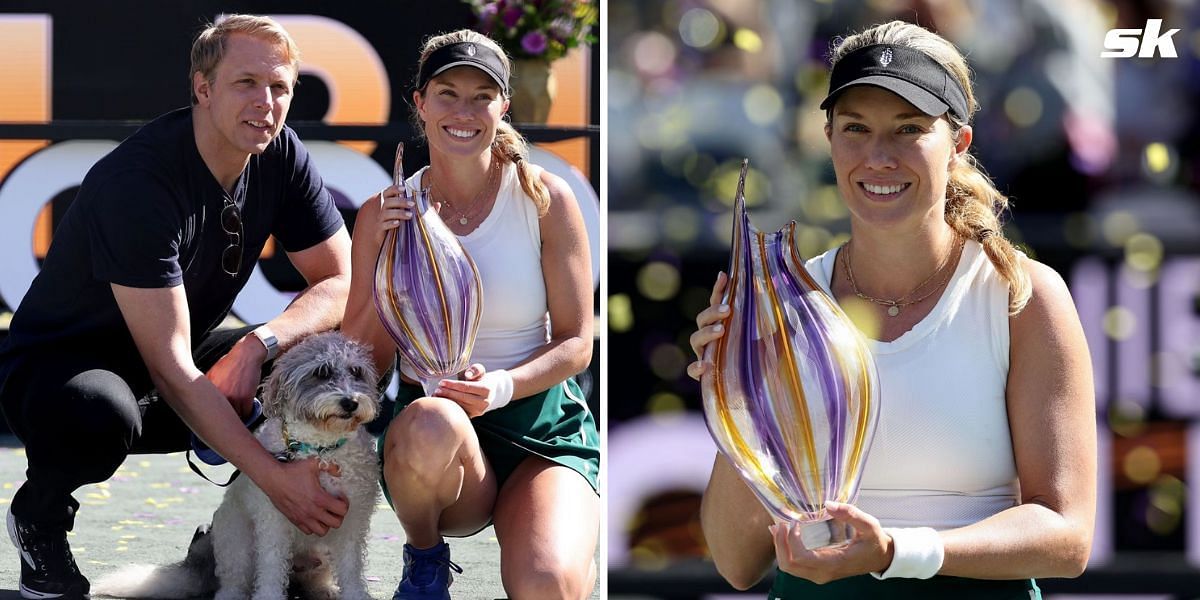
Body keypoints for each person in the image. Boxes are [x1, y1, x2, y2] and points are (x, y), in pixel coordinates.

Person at [688, 20, 1096, 599]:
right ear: (828, 137)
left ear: (958, 143)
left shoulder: (1023, 297)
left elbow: (1066, 535)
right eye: (855, 129)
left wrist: (896, 554)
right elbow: (736, 561)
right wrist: (741, 397)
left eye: (909, 129)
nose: (878, 157)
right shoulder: (779, 307)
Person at [0, 15, 353, 599]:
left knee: (313, 361)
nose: (265, 103)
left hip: (174, 361)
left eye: (280, 87)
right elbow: (168, 366)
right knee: (100, 413)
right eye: (246, 83)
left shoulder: (279, 153)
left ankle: (236, 545)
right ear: (203, 88)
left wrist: (257, 344)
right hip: (58, 373)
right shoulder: (137, 182)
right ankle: (39, 514)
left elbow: (343, 281)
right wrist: (277, 478)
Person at [342, 30, 599, 600]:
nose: (464, 111)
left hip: (542, 428)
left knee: (548, 583)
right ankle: (425, 557)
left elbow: (579, 342)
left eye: (481, 96)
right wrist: (381, 257)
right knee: (434, 419)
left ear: (503, 106)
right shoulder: (379, 214)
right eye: (447, 93)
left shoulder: (547, 199)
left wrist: (502, 386)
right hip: (437, 443)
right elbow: (363, 362)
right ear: (420, 103)